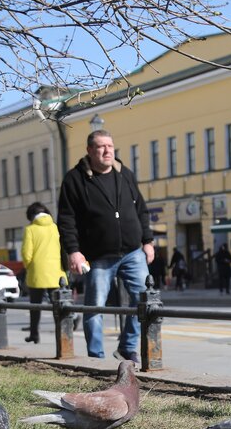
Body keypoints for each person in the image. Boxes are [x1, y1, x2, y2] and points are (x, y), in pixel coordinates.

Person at [58, 129, 154, 364]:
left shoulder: (124, 174)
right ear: (90, 150)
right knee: (95, 306)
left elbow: (140, 209)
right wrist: (74, 251)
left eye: (110, 146)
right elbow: (66, 219)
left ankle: (127, 347)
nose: (107, 151)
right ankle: (96, 357)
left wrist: (148, 241)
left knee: (144, 299)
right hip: (98, 255)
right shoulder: (75, 179)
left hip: (132, 252)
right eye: (101, 147)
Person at [21, 202, 67, 344]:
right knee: (58, 306)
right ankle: (62, 336)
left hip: (37, 273)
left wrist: (29, 266)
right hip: (56, 272)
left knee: (35, 306)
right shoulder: (56, 227)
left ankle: (34, 334)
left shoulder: (30, 229)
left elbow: (26, 253)